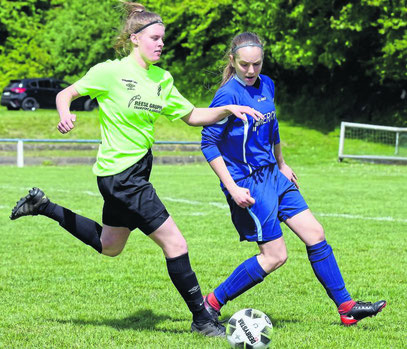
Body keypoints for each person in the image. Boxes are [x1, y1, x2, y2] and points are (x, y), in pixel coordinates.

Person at [9, 3, 264, 337]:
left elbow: (191, 116)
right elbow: (66, 93)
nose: (160, 44)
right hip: (121, 176)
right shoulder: (109, 72)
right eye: (154, 38)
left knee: (110, 245)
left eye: (163, 39)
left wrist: (228, 108)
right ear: (135, 39)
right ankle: (202, 320)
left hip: (135, 173)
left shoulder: (162, 79)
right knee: (176, 244)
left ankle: (44, 206)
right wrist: (64, 113)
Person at [200, 32, 386, 326]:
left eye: (257, 64)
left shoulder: (268, 84)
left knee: (315, 233)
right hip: (248, 182)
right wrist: (233, 187)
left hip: (274, 175)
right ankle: (210, 304)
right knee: (275, 256)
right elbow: (208, 144)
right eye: (245, 65)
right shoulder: (228, 95)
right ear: (232, 60)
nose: (251, 71)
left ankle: (346, 308)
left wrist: (282, 164)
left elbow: (272, 128)